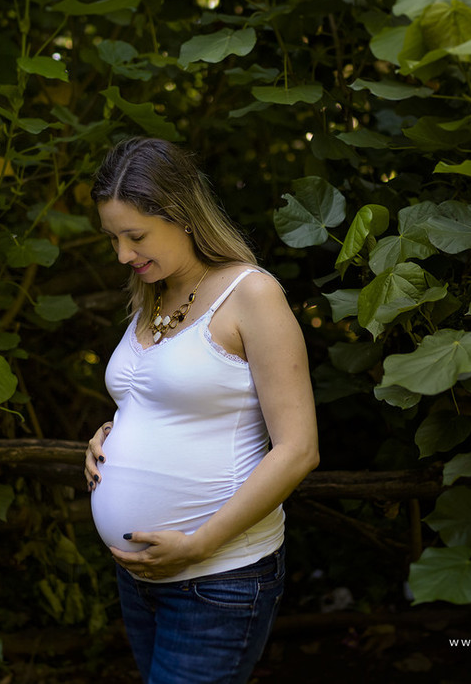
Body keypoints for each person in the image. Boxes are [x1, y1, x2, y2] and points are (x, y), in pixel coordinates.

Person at [83, 136, 320, 684]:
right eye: (112, 238)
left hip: (217, 578)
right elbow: (160, 400)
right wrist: (109, 436)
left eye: (135, 236)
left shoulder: (251, 294)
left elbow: (299, 449)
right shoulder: (154, 292)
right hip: (141, 577)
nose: (122, 254)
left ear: (183, 215)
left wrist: (197, 546)